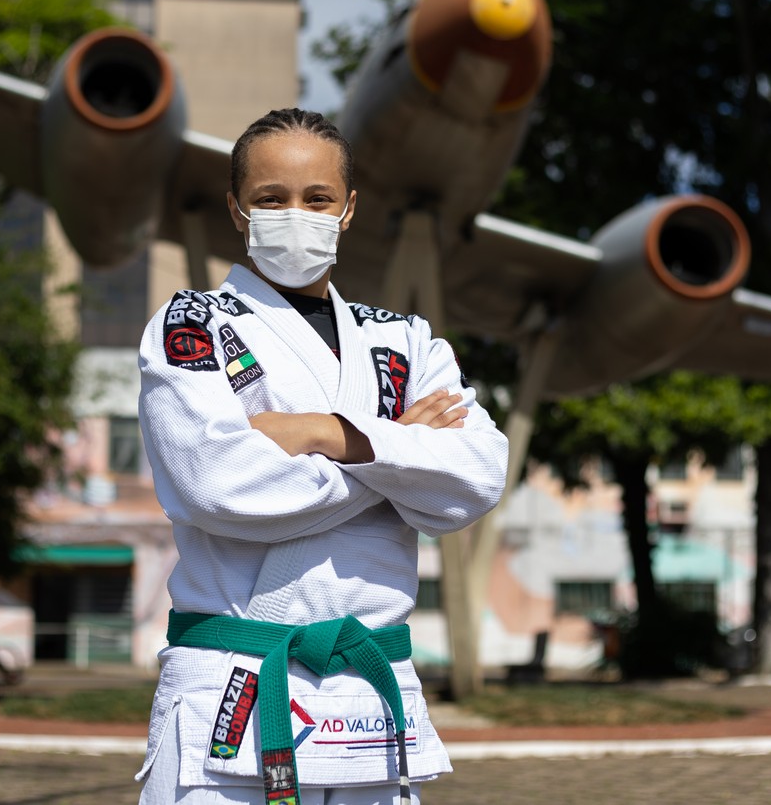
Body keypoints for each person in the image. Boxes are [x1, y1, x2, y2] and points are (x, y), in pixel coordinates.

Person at [136, 108, 508, 805]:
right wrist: (395, 452)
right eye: (272, 198)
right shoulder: (194, 324)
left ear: (349, 208)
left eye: (317, 199)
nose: (295, 214)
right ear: (236, 208)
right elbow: (218, 485)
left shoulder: (404, 341)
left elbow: (476, 477)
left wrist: (320, 431)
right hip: (234, 676)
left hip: (365, 688)